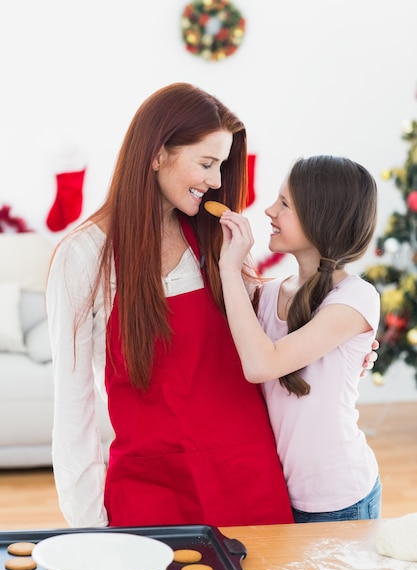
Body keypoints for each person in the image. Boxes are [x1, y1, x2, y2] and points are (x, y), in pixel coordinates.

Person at [46, 82, 295, 528]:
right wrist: (87, 526)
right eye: (206, 163)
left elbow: (272, 345)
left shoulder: (221, 240)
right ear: (157, 154)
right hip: (152, 494)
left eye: (222, 165)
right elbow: (73, 405)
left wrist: (342, 344)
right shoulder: (84, 256)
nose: (217, 181)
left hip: (250, 480)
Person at [219, 155, 382, 523]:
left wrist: (230, 266)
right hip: (282, 493)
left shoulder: (356, 297)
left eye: (285, 204)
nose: (268, 210)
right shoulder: (268, 294)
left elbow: (262, 364)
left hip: (341, 498)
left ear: (319, 219)